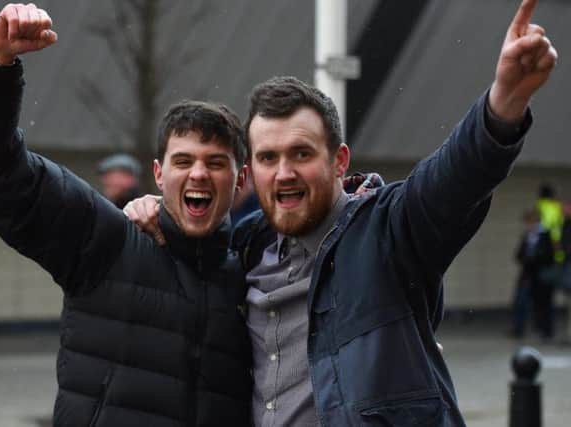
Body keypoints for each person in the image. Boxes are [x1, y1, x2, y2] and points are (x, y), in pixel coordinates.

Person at [125, 0, 557, 425]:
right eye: (268, 157)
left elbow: (455, 178)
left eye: (301, 153)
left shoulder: (390, 232)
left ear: (339, 160)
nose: (284, 173)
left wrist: (505, 99)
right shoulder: (245, 247)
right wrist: (155, 214)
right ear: (251, 170)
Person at [0, 4, 253, 426]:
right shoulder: (107, 242)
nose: (199, 173)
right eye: (184, 161)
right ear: (159, 174)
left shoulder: (255, 282)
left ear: (240, 182)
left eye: (216, 163)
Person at [512, 208, 555, 338]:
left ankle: (546, 330)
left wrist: (535, 257)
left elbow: (549, 256)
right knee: (520, 302)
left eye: (531, 222)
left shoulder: (546, 235)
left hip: (541, 275)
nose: (529, 225)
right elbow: (518, 255)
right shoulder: (527, 237)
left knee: (543, 304)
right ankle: (518, 329)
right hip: (527, 275)